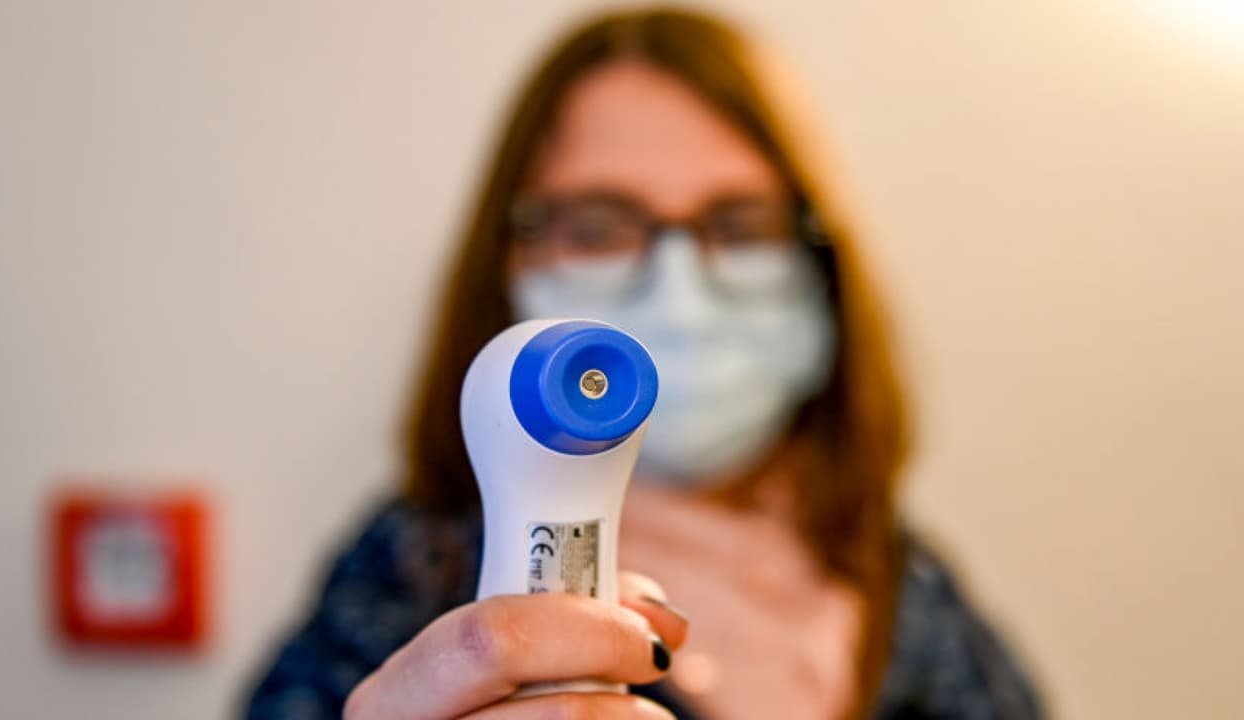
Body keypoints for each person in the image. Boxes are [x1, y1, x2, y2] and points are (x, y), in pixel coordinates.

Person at [244, 7, 1042, 719]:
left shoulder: (908, 584)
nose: (680, 295)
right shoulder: (412, 571)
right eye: (599, 228)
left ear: (819, 262)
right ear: (511, 259)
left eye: (738, 226)